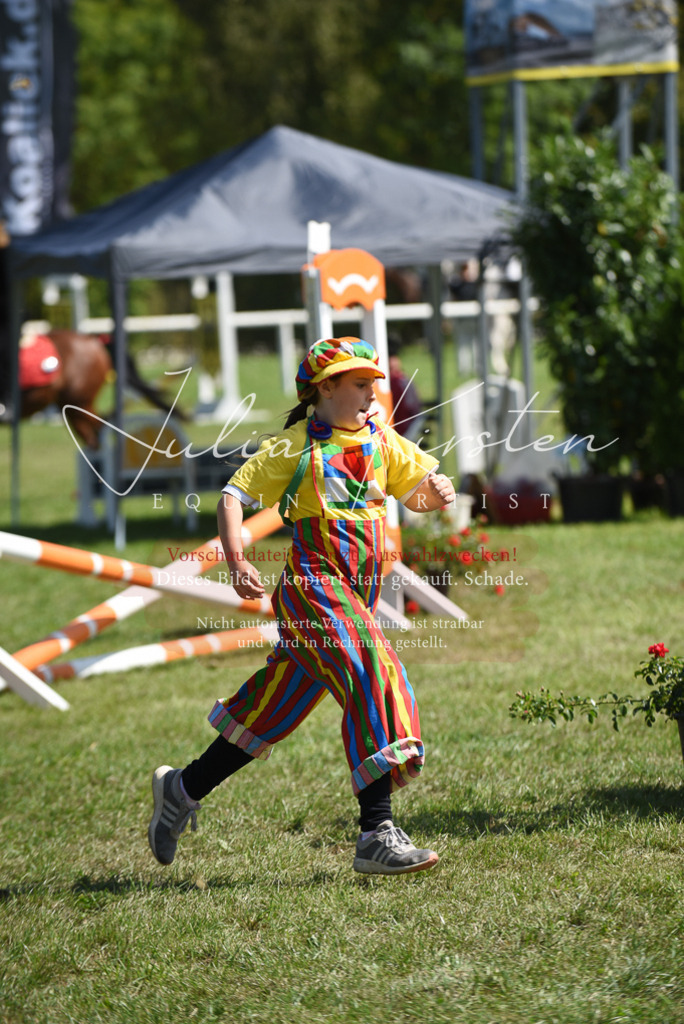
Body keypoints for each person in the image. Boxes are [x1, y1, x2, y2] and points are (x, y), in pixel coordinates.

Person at [148, 336, 455, 875]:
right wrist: (238, 560)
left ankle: (183, 787)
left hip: (356, 592)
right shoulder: (296, 445)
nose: (371, 393)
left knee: (275, 707)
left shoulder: (383, 439)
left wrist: (437, 492)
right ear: (325, 387)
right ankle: (375, 832)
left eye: (373, 384)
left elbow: (417, 497)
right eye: (360, 384)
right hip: (314, 588)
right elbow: (232, 497)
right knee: (372, 667)